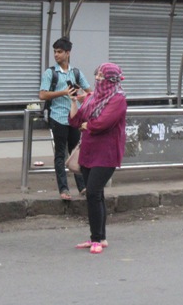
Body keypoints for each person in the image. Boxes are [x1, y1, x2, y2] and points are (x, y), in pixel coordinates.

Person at [69, 62, 127, 254]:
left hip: (107, 153)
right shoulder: (92, 98)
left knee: (93, 193)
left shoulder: (118, 99)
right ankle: (100, 237)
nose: (98, 79)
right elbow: (76, 121)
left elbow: (103, 123)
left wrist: (88, 126)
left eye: (102, 76)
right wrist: (74, 101)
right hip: (88, 150)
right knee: (97, 195)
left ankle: (96, 239)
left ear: (111, 79)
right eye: (97, 75)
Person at [38, 37, 91, 200]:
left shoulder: (76, 72)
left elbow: (90, 92)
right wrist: (64, 92)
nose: (56, 55)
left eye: (60, 52)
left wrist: (83, 96)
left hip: (75, 118)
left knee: (76, 151)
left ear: (68, 53)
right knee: (60, 154)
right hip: (58, 117)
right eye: (55, 52)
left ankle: (82, 187)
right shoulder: (50, 73)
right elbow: (42, 94)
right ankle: (64, 189)